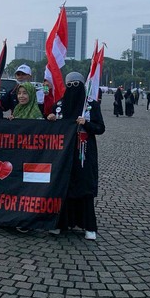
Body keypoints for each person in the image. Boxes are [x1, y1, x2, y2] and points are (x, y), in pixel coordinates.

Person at [47, 72, 105, 240]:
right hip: (64, 154)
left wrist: (86, 123)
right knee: (63, 185)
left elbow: (100, 128)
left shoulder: (91, 105)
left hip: (84, 153)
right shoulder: (59, 105)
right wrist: (50, 119)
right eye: (69, 84)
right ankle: (60, 223)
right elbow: (52, 130)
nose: (73, 88)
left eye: (76, 84)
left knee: (84, 186)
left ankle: (89, 226)